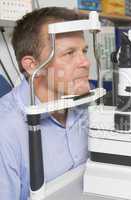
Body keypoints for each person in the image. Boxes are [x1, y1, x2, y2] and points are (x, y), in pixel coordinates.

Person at [0, 7, 91, 200]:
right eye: (69, 53)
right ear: (33, 66)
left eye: (84, 51)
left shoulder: (83, 107)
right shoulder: (6, 130)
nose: (85, 62)